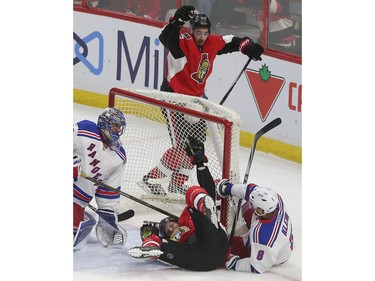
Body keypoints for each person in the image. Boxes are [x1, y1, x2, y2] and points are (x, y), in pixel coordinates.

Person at [138, 5, 264, 196]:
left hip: (196, 100)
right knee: (181, 147)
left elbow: (232, 41)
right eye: (198, 32)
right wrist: (177, 21)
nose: (202, 36)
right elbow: (165, 38)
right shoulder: (183, 41)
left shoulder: (212, 42)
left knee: (197, 146)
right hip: (174, 98)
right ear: (191, 31)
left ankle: (177, 183)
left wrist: (247, 46)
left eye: (205, 33)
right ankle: (150, 180)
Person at [128, 137, 229, 271]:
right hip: (200, 259)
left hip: (214, 240)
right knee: (160, 249)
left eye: (169, 225)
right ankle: (150, 246)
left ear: (174, 220)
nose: (170, 229)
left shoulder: (186, 218)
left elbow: (208, 190)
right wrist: (150, 236)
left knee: (193, 193)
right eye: (167, 231)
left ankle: (205, 209)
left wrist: (199, 164)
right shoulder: (173, 239)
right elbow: (165, 239)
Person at [73, 107, 128, 250]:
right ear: (104, 123)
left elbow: (108, 189)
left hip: (77, 203)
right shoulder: (86, 130)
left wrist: (107, 213)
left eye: (119, 127)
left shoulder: (119, 156)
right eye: (115, 125)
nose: (117, 130)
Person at [215, 179, 294, 273]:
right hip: (281, 240)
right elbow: (249, 190)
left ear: (261, 211)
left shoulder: (263, 235)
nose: (251, 205)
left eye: (254, 205)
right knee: (242, 200)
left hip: (275, 254)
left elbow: (257, 267)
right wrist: (227, 188)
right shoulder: (276, 201)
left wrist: (234, 263)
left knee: (221, 244)